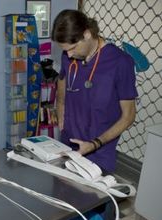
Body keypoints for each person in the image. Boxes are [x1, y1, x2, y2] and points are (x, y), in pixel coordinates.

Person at [51, 10, 137, 173]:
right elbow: (62, 78)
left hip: (98, 152)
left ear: (87, 34)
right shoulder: (68, 56)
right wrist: (60, 106)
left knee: (91, 198)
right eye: (65, 49)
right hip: (67, 145)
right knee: (60, 194)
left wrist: (95, 143)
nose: (68, 54)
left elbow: (129, 116)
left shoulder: (120, 63)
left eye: (73, 48)